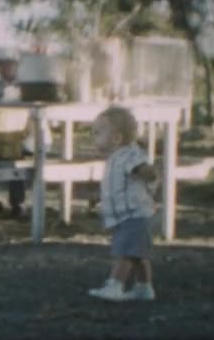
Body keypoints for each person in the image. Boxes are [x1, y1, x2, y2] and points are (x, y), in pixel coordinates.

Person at [88, 106, 158, 301]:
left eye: (98, 133)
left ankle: (115, 285)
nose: (94, 137)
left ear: (116, 138)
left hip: (133, 214)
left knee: (125, 251)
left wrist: (149, 173)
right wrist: (98, 197)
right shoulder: (116, 158)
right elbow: (116, 185)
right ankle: (144, 287)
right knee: (137, 253)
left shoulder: (129, 155)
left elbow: (143, 169)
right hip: (128, 214)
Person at [0, 48, 53, 218]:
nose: (5, 68)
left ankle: (18, 203)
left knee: (17, 156)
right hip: (1, 132)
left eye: (9, 64)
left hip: (26, 135)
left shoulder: (28, 85)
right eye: (1, 64)